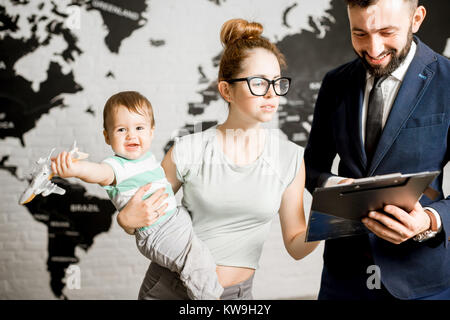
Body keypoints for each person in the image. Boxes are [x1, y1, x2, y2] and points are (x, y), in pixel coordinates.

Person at [116, 18, 319, 300]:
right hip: (170, 290)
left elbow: (296, 247)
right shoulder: (188, 149)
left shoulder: (291, 158)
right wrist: (125, 220)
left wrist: (327, 219)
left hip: (237, 296)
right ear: (226, 90)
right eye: (259, 82)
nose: (272, 93)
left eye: (277, 81)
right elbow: (143, 216)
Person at [304, 0, 450, 300]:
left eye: (386, 32)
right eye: (360, 34)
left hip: (421, 281)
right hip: (343, 278)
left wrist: (430, 220)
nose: (373, 48)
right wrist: (336, 185)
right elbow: (311, 166)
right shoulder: (335, 83)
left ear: (417, 18)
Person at [51, 91, 224, 300]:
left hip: (174, 220)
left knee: (202, 257)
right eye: (122, 129)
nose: (131, 135)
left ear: (151, 132)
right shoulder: (116, 166)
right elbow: (98, 173)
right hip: (158, 231)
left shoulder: (146, 158)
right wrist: (75, 169)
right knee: (196, 264)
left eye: (139, 128)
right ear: (107, 136)